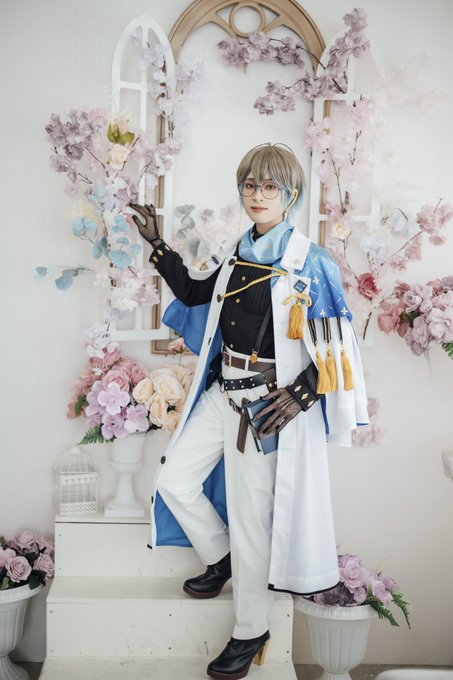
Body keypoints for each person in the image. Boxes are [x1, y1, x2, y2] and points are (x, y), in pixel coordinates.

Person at [129, 142, 369, 680]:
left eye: (269, 187)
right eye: (250, 186)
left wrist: (301, 395)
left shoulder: (310, 262)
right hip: (222, 392)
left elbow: (339, 349)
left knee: (251, 521)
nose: (257, 195)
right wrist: (157, 244)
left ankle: (250, 629)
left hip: (263, 409)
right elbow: (196, 293)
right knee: (175, 482)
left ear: (291, 195)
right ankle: (221, 558)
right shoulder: (239, 251)